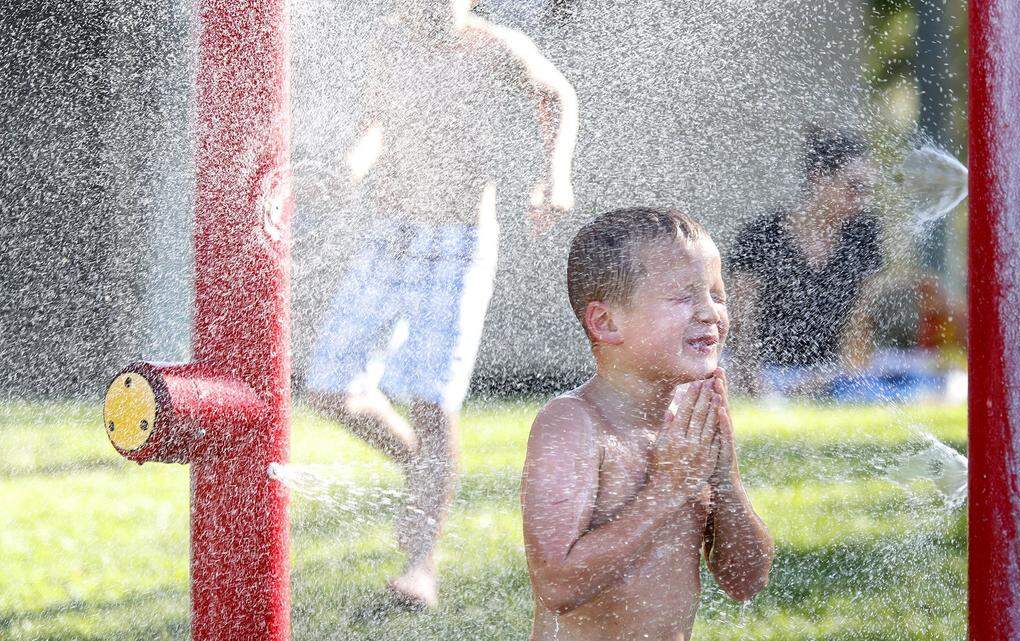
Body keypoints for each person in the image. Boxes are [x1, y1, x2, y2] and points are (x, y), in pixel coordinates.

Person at [304, 0, 578, 609]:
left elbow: (556, 94)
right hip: (388, 234)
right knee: (329, 387)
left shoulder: (495, 46)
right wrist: (347, 170)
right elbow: (377, 123)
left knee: (432, 402)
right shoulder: (390, 39)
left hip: (457, 244)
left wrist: (554, 175)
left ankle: (419, 566)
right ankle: (420, 468)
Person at [521, 208, 773, 641]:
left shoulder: (688, 426)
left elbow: (745, 582)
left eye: (717, 294)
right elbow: (557, 586)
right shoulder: (574, 424)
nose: (710, 312)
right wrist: (668, 490)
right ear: (606, 322)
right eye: (684, 297)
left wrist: (725, 480)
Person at [728, 126, 885, 399]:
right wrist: (757, 385)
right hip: (765, 371)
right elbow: (741, 324)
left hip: (832, 374)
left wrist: (829, 377)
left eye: (867, 191)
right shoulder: (762, 235)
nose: (862, 201)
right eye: (854, 188)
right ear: (819, 178)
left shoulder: (864, 236)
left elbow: (860, 325)